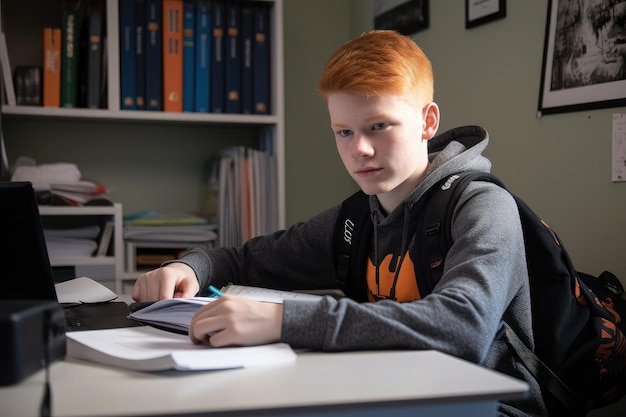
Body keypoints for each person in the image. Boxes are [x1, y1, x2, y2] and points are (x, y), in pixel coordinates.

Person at [133, 30, 546, 416]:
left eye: (378, 126)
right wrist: (188, 267)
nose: (359, 149)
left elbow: (463, 328)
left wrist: (281, 321)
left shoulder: (484, 206)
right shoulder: (356, 219)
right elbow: (246, 261)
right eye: (343, 132)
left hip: (489, 406)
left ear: (428, 122)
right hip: (389, 391)